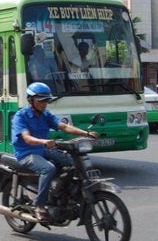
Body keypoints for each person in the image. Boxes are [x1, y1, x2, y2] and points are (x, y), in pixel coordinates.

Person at [11, 82, 96, 222]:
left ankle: (62, 194)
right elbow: (27, 138)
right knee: (48, 169)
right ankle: (39, 205)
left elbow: (63, 127)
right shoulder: (21, 116)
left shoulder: (45, 114)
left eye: (47, 100)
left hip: (43, 150)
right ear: (30, 100)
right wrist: (44, 142)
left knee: (72, 162)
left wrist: (86, 134)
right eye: (41, 100)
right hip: (26, 153)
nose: (44, 103)